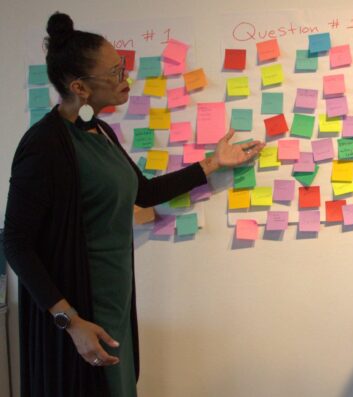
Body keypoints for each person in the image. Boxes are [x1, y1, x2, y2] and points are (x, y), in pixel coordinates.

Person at [3, 12, 264, 397]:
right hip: (77, 314)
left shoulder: (101, 131)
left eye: (122, 66)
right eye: (115, 72)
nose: (126, 78)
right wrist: (70, 321)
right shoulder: (44, 146)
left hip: (114, 304)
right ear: (81, 87)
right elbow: (15, 242)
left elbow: (143, 192)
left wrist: (212, 163)